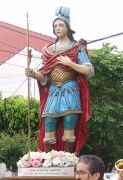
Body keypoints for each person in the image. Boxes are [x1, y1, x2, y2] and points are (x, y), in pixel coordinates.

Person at [25, 6, 93, 154]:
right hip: (53, 91)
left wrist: (71, 64)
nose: (57, 28)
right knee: (49, 123)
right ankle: (49, 159)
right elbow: (45, 76)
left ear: (68, 27)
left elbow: (89, 70)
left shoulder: (76, 48)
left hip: (71, 89)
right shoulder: (48, 50)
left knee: (69, 124)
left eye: (61, 25)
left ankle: (68, 159)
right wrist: (33, 74)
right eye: (55, 26)